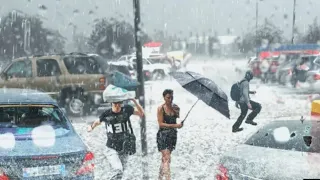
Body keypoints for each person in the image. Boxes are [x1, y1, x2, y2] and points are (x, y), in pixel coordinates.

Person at [87, 98, 144, 180]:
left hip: (124, 147)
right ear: (111, 104)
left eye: (119, 104)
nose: (117, 106)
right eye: (115, 104)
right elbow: (97, 121)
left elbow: (141, 113)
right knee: (118, 170)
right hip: (111, 148)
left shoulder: (126, 109)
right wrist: (91, 127)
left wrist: (135, 101)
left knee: (120, 174)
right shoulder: (107, 114)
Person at [157, 89, 183, 180]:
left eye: (172, 97)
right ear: (164, 97)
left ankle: (160, 177)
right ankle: (168, 178)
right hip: (163, 135)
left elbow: (178, 120)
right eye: (168, 97)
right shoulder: (161, 108)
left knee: (166, 159)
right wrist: (175, 125)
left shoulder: (176, 108)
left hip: (172, 135)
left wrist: (179, 124)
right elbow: (160, 123)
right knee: (166, 158)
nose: (170, 99)